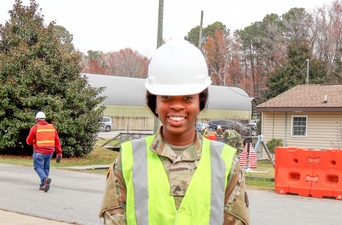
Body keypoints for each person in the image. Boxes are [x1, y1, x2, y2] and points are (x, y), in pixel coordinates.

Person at [99, 40, 249, 225]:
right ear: (154, 101)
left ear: (200, 102)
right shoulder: (127, 160)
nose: (177, 106)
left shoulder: (226, 163)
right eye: (166, 97)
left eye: (187, 97)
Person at [26, 111, 62, 192]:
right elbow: (57, 141)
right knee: (46, 167)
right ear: (44, 119)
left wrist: (32, 140)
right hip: (49, 152)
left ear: (37, 119)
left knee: (38, 167)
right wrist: (59, 152)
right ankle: (43, 185)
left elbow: (28, 141)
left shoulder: (35, 128)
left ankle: (45, 179)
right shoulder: (52, 128)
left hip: (39, 151)